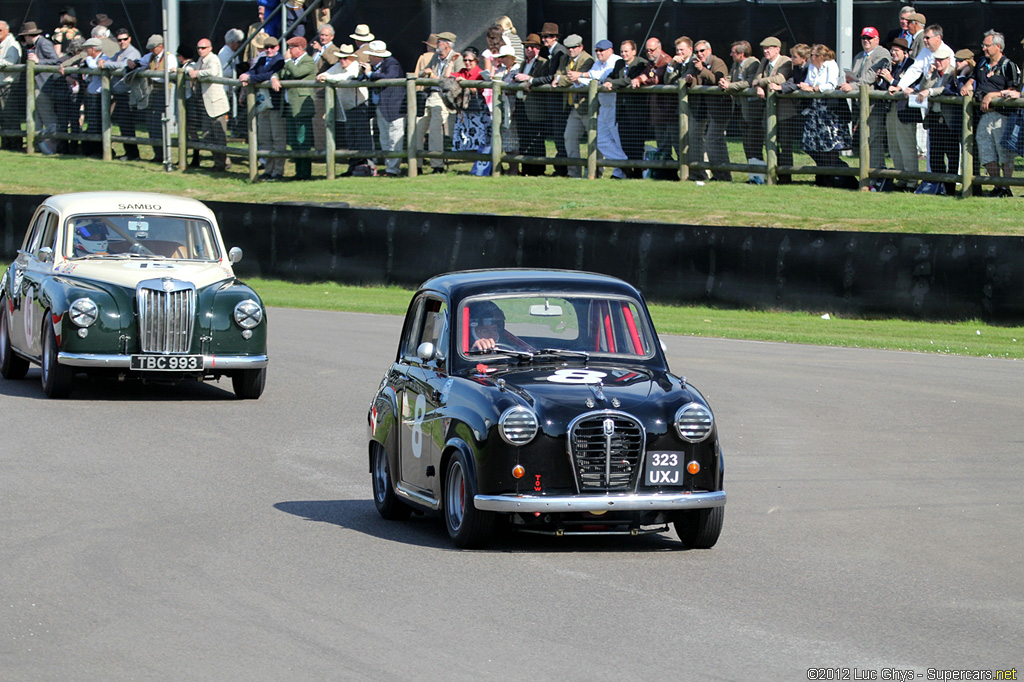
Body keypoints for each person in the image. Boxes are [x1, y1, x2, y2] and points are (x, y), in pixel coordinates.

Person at [960, 30, 1021, 197]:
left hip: (1002, 116)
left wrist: (993, 95)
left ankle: (1006, 187)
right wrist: (968, 85)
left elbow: (1013, 91)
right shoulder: (981, 63)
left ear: (998, 46)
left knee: (1004, 154)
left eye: (987, 45)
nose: (984, 49)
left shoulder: (1009, 66)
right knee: (987, 151)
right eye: (983, 45)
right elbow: (974, 79)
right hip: (984, 116)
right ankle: (997, 186)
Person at [800, 44, 853, 186]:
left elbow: (830, 84)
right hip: (815, 110)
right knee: (811, 146)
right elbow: (807, 83)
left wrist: (815, 89)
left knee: (830, 147)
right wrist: (806, 87)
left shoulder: (831, 65)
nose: (810, 58)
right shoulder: (811, 66)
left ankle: (836, 177)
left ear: (820, 57)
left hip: (829, 111)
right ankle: (825, 175)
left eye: (813, 55)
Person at [840, 27, 891, 172]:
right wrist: (847, 82)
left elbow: (870, 78)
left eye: (869, 38)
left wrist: (852, 85)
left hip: (875, 104)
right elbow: (855, 77)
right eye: (863, 38)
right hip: (859, 104)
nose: (866, 41)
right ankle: (865, 170)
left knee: (874, 139)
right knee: (864, 139)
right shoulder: (859, 56)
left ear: (877, 40)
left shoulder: (883, 54)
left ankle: (875, 172)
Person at [316, 43, 371, 175]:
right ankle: (353, 167)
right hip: (347, 108)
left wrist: (327, 77)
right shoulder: (339, 66)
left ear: (352, 58)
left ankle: (365, 167)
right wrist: (323, 76)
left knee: (361, 138)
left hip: (359, 106)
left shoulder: (355, 67)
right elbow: (326, 73)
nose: (342, 60)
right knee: (350, 138)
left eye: (345, 58)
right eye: (340, 58)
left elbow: (346, 77)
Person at [575, 38, 626, 179]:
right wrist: (578, 79)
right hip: (603, 106)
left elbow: (601, 76)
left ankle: (620, 171)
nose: (598, 53)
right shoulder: (598, 63)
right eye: (596, 51)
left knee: (617, 140)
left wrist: (581, 75)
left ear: (610, 50)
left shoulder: (616, 61)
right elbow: (592, 78)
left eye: (601, 50)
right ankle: (623, 164)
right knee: (600, 140)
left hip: (615, 106)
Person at [914, 45, 960, 195]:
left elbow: (946, 89)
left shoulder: (953, 73)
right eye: (936, 60)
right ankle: (938, 186)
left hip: (948, 119)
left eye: (941, 60)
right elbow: (922, 88)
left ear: (948, 60)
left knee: (952, 155)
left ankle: (950, 188)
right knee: (935, 155)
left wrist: (930, 91)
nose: (938, 63)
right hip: (934, 117)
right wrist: (928, 75)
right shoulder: (934, 73)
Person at [415, 31, 462, 174]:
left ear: (447, 44)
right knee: (417, 129)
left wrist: (433, 76)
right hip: (430, 96)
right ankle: (416, 164)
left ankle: (437, 165)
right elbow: (424, 72)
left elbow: (454, 81)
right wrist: (426, 73)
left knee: (435, 129)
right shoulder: (436, 56)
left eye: (440, 41)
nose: (437, 44)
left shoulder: (457, 58)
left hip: (444, 98)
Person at [239, 36, 285, 180]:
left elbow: (270, 74)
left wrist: (251, 79)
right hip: (262, 104)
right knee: (265, 138)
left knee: (277, 138)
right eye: (267, 48)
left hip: (275, 105)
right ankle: (268, 169)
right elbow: (255, 71)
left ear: (277, 47)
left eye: (272, 47)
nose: (269, 50)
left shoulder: (280, 61)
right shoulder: (261, 59)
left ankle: (278, 171)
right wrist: (246, 74)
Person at [749, 36, 793, 176]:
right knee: (769, 143)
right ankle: (772, 173)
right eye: (764, 48)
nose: (766, 51)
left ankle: (786, 177)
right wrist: (759, 87)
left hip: (785, 112)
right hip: (768, 110)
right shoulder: (764, 62)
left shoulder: (785, 61)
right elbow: (755, 79)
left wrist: (760, 83)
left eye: (769, 48)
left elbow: (780, 78)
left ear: (777, 49)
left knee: (785, 145)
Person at [274, 35, 316, 178]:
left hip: (301, 108)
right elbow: (280, 73)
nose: (289, 51)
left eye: (291, 48)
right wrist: (274, 78)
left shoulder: (308, 61)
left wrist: (286, 61)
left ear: (299, 48)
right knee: (293, 141)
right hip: (289, 107)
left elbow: (297, 73)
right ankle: (299, 172)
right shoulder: (291, 62)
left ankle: (305, 173)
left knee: (302, 141)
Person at [879, 38, 919, 190]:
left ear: (905, 53)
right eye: (892, 51)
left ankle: (911, 181)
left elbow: (911, 86)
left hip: (905, 110)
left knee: (906, 146)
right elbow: (885, 86)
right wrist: (882, 78)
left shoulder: (912, 66)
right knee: (894, 146)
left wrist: (892, 79)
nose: (893, 53)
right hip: (891, 109)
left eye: (897, 51)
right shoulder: (892, 66)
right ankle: (901, 178)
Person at [770, 43, 811, 185]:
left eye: (794, 57)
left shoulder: (809, 68)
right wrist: (781, 87)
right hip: (802, 110)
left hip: (809, 111)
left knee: (807, 146)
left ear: (804, 58)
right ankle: (784, 177)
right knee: (785, 143)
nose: (791, 59)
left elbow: (800, 83)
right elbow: (793, 81)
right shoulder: (798, 68)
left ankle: (828, 176)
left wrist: (781, 87)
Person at [187, 38, 231, 171]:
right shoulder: (201, 60)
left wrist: (197, 73)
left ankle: (221, 164)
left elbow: (213, 72)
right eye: (199, 48)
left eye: (204, 48)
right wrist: (189, 70)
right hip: (205, 104)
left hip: (216, 104)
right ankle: (223, 161)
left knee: (219, 136)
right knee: (207, 136)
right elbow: (191, 68)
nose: (201, 50)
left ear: (210, 48)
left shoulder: (213, 59)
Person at [606, 39, 648, 178]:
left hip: (636, 112)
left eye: (626, 51)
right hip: (622, 111)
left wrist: (612, 83)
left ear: (634, 52)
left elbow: (629, 80)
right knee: (624, 143)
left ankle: (638, 173)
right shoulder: (619, 64)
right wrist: (608, 81)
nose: (623, 54)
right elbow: (610, 76)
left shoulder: (641, 63)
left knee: (637, 144)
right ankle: (628, 172)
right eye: (622, 51)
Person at [363, 39, 404, 177]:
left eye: (371, 55)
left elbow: (389, 77)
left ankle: (393, 170)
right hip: (381, 107)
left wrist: (370, 74)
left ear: (377, 56)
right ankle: (388, 168)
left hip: (393, 108)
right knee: (384, 138)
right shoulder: (374, 67)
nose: (369, 58)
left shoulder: (392, 63)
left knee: (394, 137)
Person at [556, 34, 593, 178]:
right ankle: (574, 173)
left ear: (581, 47)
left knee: (593, 141)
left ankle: (594, 172)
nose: (571, 50)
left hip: (587, 107)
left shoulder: (587, 60)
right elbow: (558, 76)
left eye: (574, 47)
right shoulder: (564, 58)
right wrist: (563, 78)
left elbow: (572, 79)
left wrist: (563, 79)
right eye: (568, 48)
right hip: (573, 108)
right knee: (569, 137)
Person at [693, 40, 731, 181]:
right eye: (697, 52)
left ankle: (721, 174)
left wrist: (701, 70)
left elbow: (718, 79)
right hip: (704, 108)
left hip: (720, 108)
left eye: (702, 51)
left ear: (709, 50)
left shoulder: (717, 62)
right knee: (715, 141)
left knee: (712, 140)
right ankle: (721, 175)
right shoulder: (696, 63)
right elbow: (693, 82)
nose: (699, 54)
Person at [451, 45, 492, 176]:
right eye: (465, 60)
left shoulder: (479, 73)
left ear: (476, 61)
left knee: (482, 140)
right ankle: (479, 167)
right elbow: (447, 77)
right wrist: (451, 62)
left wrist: (465, 82)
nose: (467, 63)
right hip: (466, 111)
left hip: (478, 110)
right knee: (468, 140)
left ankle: (486, 168)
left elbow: (477, 90)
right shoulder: (463, 71)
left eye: (470, 60)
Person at [719, 41, 761, 166]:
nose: (731, 54)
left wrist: (729, 86)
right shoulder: (736, 64)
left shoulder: (753, 63)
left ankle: (758, 172)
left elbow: (749, 82)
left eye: (733, 52)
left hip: (752, 110)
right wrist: (724, 81)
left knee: (754, 142)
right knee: (746, 141)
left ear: (741, 54)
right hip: (739, 107)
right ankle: (751, 171)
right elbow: (731, 77)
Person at [136, 34, 176, 163]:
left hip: (162, 92)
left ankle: (164, 154)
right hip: (151, 92)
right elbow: (140, 62)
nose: (151, 51)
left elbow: (169, 73)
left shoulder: (170, 58)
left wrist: (154, 74)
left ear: (160, 46)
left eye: (153, 48)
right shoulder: (150, 57)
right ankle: (157, 153)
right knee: (151, 122)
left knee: (159, 123)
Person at [103, 29, 142, 160]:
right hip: (118, 95)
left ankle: (133, 154)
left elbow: (124, 64)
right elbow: (113, 61)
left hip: (127, 95)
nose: (122, 42)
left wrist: (105, 64)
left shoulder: (133, 52)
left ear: (129, 39)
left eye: (124, 39)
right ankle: (129, 152)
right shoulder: (119, 53)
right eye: (119, 40)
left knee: (127, 125)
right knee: (122, 124)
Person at [512, 33, 548, 176]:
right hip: (521, 104)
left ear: (538, 49)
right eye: (527, 47)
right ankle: (526, 169)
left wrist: (529, 78)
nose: (529, 49)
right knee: (524, 138)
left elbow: (543, 80)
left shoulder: (543, 63)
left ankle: (538, 170)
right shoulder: (523, 63)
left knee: (537, 139)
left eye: (533, 47)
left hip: (535, 107)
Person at [310, 24, 339, 153]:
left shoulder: (334, 49)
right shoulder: (315, 50)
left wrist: (322, 50)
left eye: (326, 35)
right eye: (321, 35)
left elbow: (333, 61)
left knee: (322, 121)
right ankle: (319, 148)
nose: (323, 37)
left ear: (332, 36)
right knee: (316, 121)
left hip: (325, 91)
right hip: (314, 90)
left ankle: (324, 150)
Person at [466, 301, 530, 352]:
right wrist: (474, 350)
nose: (492, 337)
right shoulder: (461, 350)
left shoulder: (510, 347)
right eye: (484, 331)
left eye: (494, 330)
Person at [0, 19, 23, 150]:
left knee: (10, 116)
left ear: (7, 31)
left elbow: (11, 62)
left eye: (0, 30)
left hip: (8, 85)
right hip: (1, 84)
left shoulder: (12, 44)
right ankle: (6, 142)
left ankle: (15, 144)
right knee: (3, 117)